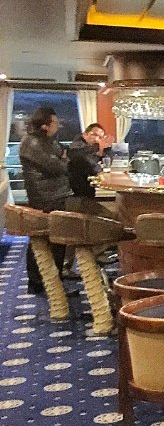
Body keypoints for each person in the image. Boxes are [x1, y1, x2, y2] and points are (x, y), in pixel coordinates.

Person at [19, 106, 73, 294]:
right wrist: (64, 160)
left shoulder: (46, 141)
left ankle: (50, 281)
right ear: (45, 125)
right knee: (46, 240)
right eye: (55, 122)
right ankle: (42, 283)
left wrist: (63, 159)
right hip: (46, 198)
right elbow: (57, 167)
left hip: (54, 195)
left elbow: (60, 159)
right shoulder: (32, 143)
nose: (58, 126)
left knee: (53, 240)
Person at [67, 123, 115, 218]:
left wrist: (103, 150)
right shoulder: (77, 145)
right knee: (106, 216)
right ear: (85, 135)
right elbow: (87, 161)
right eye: (94, 135)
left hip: (86, 189)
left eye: (100, 137)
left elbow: (107, 159)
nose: (97, 139)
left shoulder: (93, 148)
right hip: (74, 192)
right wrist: (99, 170)